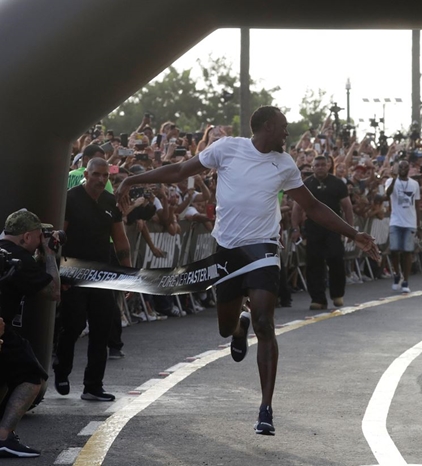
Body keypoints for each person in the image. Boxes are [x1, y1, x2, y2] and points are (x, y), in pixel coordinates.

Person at [116, 105, 380, 436]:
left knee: (266, 323)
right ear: (267, 127)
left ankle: (266, 408)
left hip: (263, 248)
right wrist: (131, 178)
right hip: (228, 249)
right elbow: (180, 170)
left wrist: (354, 233)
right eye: (283, 127)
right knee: (226, 329)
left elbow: (312, 206)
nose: (287, 134)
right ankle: (240, 327)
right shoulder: (228, 148)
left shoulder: (284, 164)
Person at [53, 158, 131, 402]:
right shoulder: (71, 198)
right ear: (86, 174)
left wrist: (129, 274)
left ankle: (93, 386)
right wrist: (58, 274)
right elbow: (57, 240)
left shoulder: (111, 202)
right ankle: (61, 369)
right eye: (96, 174)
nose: (101, 180)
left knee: (101, 329)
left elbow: (120, 240)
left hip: (102, 274)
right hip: (73, 273)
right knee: (73, 325)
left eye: (105, 176)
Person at [0, 210, 61, 458]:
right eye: (38, 236)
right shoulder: (20, 260)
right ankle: (3, 437)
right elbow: (53, 292)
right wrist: (48, 254)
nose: (40, 240)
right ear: (26, 237)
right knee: (32, 376)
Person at [291, 155, 353, 310]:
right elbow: (297, 208)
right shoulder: (306, 184)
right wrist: (295, 228)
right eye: (317, 165)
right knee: (314, 263)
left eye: (322, 165)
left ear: (328, 166)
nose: (320, 167)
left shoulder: (338, 183)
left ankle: (337, 294)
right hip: (313, 229)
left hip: (334, 228)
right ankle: (318, 299)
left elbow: (347, 207)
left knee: (336, 259)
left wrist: (350, 230)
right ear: (312, 167)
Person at [385, 160, 422, 293]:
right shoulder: (390, 181)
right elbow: (386, 194)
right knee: (394, 250)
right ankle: (396, 274)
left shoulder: (414, 184)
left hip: (410, 222)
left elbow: (417, 205)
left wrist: (418, 223)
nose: (403, 169)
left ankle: (405, 280)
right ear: (398, 168)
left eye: (406, 167)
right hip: (395, 221)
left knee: (407, 252)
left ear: (409, 169)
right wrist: (394, 179)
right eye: (401, 167)